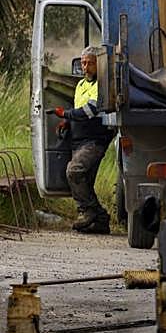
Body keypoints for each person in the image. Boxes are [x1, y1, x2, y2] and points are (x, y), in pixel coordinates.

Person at [54, 46, 115, 234]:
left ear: (99, 65)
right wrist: (67, 121)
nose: (86, 67)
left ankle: (86, 211)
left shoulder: (102, 85)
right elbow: (79, 108)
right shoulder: (80, 85)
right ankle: (101, 221)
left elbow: (90, 111)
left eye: (90, 63)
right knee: (85, 181)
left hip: (94, 140)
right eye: (83, 63)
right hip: (78, 140)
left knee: (75, 170)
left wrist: (66, 113)